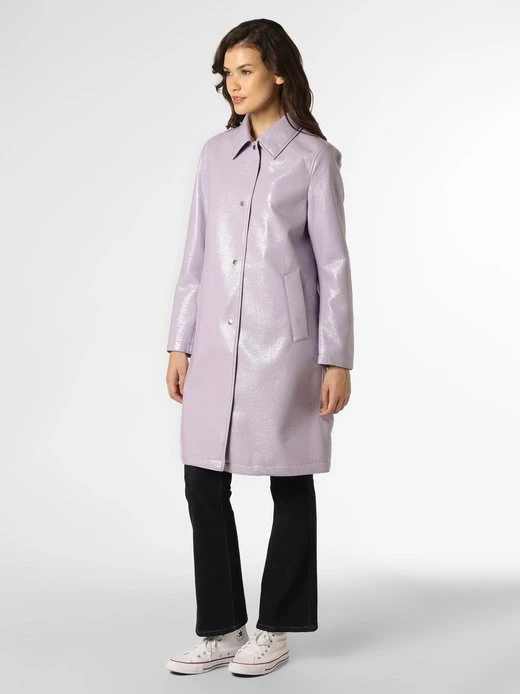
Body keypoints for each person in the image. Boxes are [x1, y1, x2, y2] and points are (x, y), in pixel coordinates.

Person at [165, 18, 354, 677]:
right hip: (214, 345)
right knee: (202, 480)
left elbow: (333, 267)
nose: (233, 84)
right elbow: (195, 255)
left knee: (289, 478)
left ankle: (275, 628)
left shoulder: (314, 159)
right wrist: (179, 342)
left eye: (245, 70)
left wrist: (337, 358)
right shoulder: (214, 155)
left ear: (278, 71)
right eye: (227, 73)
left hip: (287, 351)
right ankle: (221, 627)